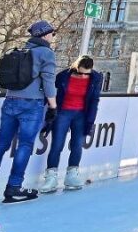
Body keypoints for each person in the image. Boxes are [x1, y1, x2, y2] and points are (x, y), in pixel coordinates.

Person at [0, 20, 59, 204]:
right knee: (24, 145)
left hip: (10, 101)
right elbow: (49, 83)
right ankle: (14, 187)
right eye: (52, 33)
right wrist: (53, 107)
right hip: (31, 105)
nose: (53, 37)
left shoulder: (21, 51)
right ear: (45, 35)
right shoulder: (46, 53)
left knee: (0, 146)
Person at [41, 55, 104, 193]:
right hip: (63, 113)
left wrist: (90, 120)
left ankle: (72, 175)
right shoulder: (63, 76)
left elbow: (94, 100)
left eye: (86, 74)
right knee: (57, 145)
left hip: (81, 115)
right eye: (80, 73)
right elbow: (51, 94)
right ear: (76, 67)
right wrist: (50, 113)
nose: (83, 77)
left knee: (77, 145)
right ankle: (51, 177)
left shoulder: (96, 78)